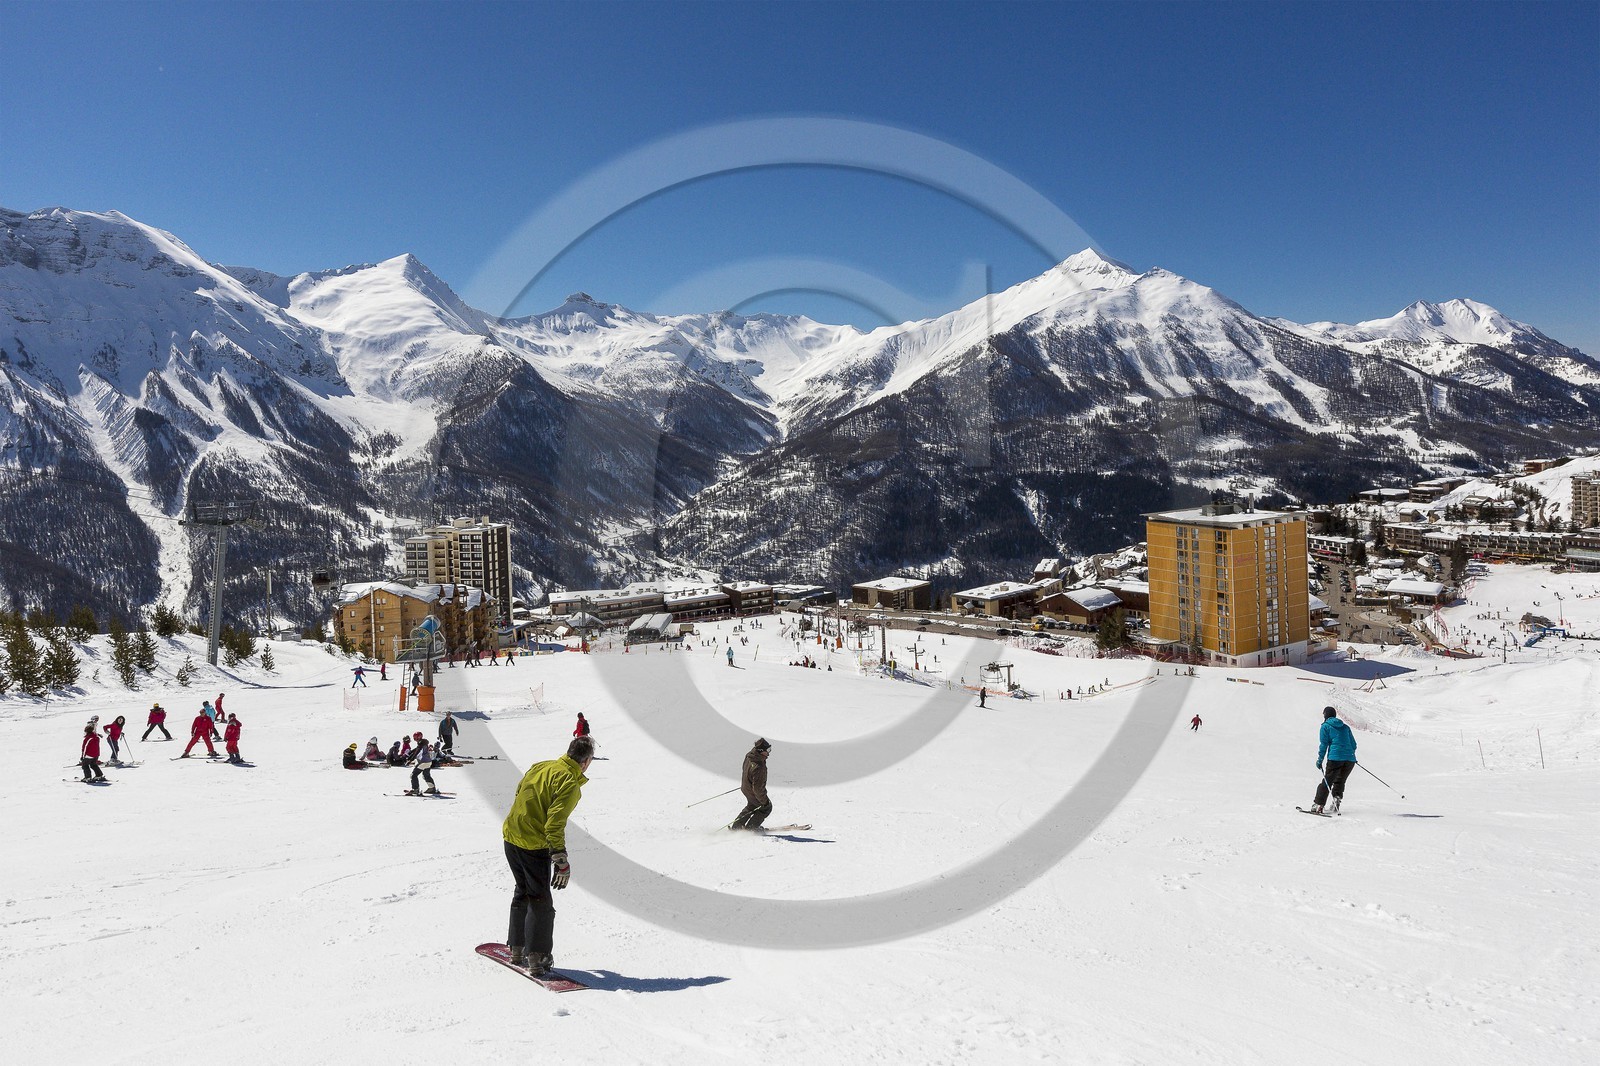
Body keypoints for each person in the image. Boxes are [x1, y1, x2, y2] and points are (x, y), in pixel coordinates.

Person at [501, 736, 594, 974]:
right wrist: (560, 859)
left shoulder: (541, 766)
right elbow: (554, 823)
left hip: (511, 836)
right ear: (585, 762)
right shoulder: (569, 783)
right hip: (532, 844)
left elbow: (520, 791)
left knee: (522, 889)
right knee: (540, 899)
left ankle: (517, 948)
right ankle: (538, 957)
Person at [1312, 706, 1358, 814]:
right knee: (1340, 781)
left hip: (1335, 758)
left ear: (1325, 715)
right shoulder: (1345, 727)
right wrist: (1348, 755)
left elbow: (1324, 745)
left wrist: (1319, 760)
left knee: (1327, 781)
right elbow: (1354, 745)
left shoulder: (1325, 727)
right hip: (1350, 760)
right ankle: (1336, 800)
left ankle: (1319, 804)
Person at [729, 738, 772, 831]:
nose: (768, 753)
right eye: (767, 750)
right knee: (766, 808)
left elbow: (745, 769)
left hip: (746, 787)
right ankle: (751, 828)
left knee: (752, 806)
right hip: (752, 790)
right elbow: (758, 789)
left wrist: (747, 782)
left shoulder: (750, 755)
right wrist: (764, 801)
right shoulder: (759, 766)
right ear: (761, 751)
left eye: (769, 750)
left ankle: (737, 827)